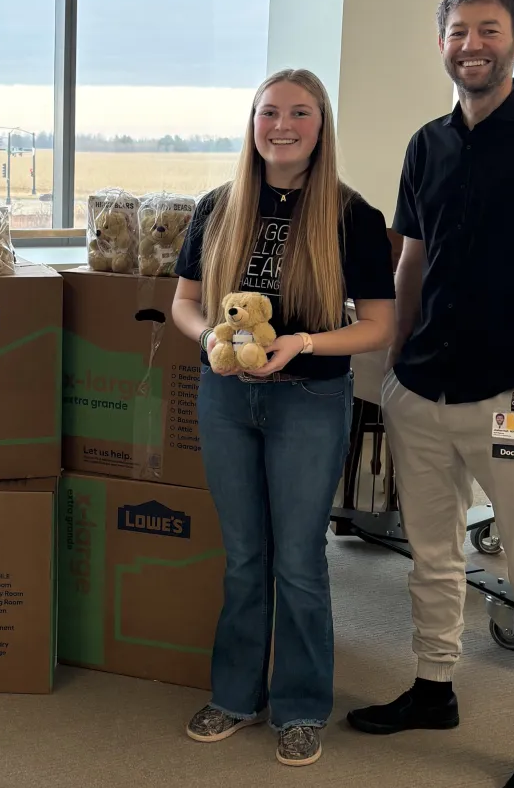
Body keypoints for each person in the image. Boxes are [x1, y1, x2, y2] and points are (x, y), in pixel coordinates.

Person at [345, 0, 514, 788]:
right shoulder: (427, 144)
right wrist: (396, 363)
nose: (472, 46)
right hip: (423, 392)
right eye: (459, 32)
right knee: (431, 555)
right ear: (442, 44)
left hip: (511, 400)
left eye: (489, 30)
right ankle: (433, 688)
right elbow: (412, 260)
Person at [170, 68, 396, 766]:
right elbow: (184, 304)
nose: (282, 126)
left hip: (310, 400)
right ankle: (237, 695)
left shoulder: (353, 216)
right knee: (244, 556)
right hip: (226, 399)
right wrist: (208, 341)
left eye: (300, 112)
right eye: (269, 112)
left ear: (321, 125)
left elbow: (379, 326)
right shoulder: (218, 206)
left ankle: (301, 707)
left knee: (298, 559)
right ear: (253, 123)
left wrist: (303, 343)